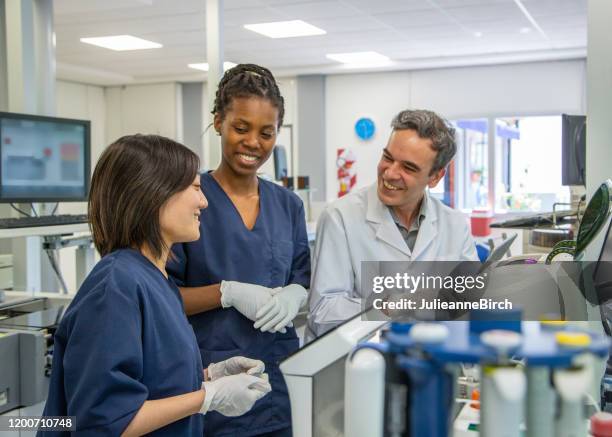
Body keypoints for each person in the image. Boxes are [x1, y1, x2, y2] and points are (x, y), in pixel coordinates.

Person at [39, 134, 271, 436]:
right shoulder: (115, 286)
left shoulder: (156, 279)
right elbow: (106, 422)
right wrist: (207, 397)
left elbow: (148, 381)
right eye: (195, 188)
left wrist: (208, 377)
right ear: (153, 194)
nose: (203, 201)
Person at [167, 64, 310, 437]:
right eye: (240, 128)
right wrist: (226, 293)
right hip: (211, 380)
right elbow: (162, 299)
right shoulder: (188, 200)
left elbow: (301, 277)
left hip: (276, 382)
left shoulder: (288, 205)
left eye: (267, 133)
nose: (253, 143)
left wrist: (297, 294)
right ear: (218, 122)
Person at [307, 109, 478, 339]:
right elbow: (322, 312)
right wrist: (386, 307)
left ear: (435, 177)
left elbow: (471, 301)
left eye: (408, 168)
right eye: (388, 158)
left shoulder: (454, 224)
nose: (390, 173)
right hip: (361, 362)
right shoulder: (340, 217)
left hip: (433, 357)